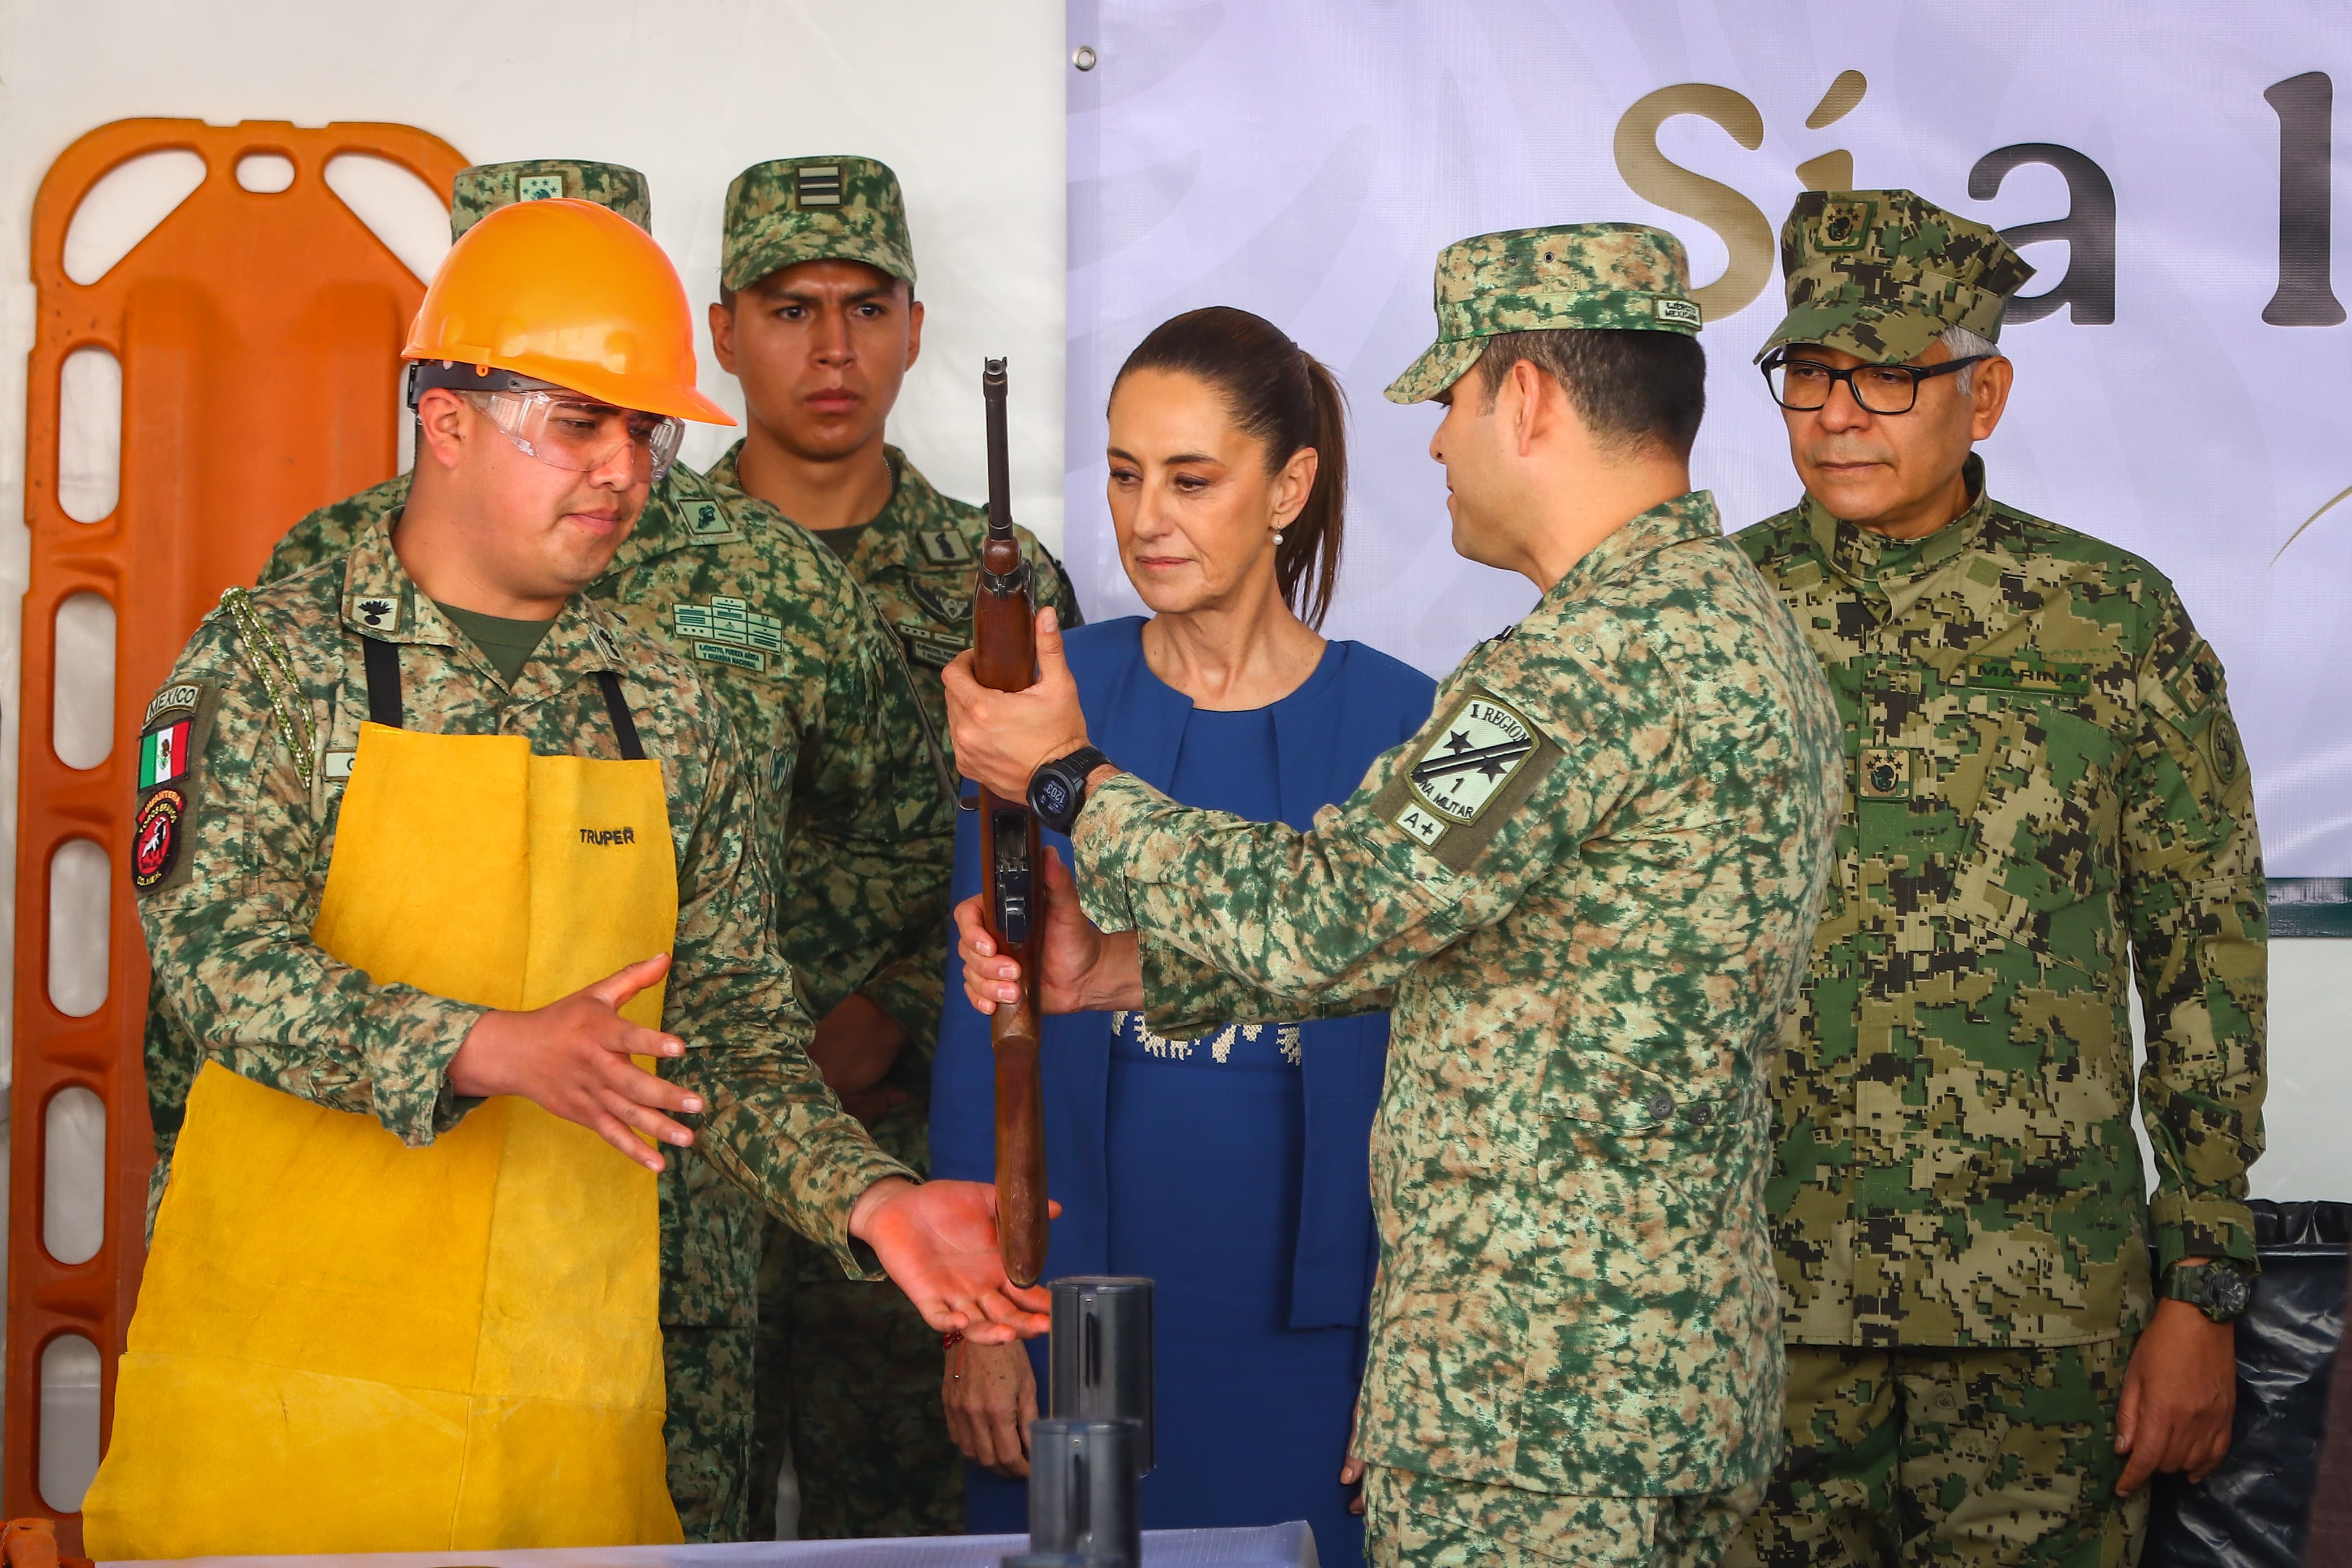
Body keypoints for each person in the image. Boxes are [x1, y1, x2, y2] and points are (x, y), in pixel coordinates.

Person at [83, 197, 1044, 1560]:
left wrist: (867, 1198)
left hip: (565, 1418)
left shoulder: (673, 705)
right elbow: (219, 965)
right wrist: (490, 1047)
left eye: (644, 432)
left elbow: (730, 1038)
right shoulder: (270, 657)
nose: (622, 472)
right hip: (286, 1407)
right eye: (576, 423)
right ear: (446, 416)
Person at [946, 225, 1845, 1567]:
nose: (1434, 446)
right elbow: (1449, 944)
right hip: (1650, 1383)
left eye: (1452, 402)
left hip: (1538, 1414)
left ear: (1529, 397)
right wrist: (1119, 974)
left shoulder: (1581, 670)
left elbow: (1336, 908)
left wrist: (1068, 778)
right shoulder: (1736, 624)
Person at [1722, 190, 2269, 1568]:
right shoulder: (1710, 614)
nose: (1838, 411)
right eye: (1808, 371)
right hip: (1761, 1312)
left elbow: (2205, 949)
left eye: (1889, 374)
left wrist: (2199, 1287)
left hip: (2042, 1324)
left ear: (1986, 394)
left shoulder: (2110, 619)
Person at [931, 306, 1434, 1563]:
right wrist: (981, 1322)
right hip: (1072, 1298)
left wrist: (1422, 1354)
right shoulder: (1047, 693)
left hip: (1324, 1319)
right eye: (1121, 471)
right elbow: (978, 1011)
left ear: (1290, 486)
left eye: (1191, 478)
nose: (1145, 516)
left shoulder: (1408, 721)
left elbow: (1454, 1058)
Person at [703, 152, 1081, 1539]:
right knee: (674, 1518)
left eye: (866, 306)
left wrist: (896, 1015)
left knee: (913, 1523)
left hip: (921, 1149)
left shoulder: (1002, 579)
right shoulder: (635, 554)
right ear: (721, 330)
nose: (832, 347)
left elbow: (1049, 866)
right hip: (678, 1146)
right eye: (790, 308)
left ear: (917, 327)